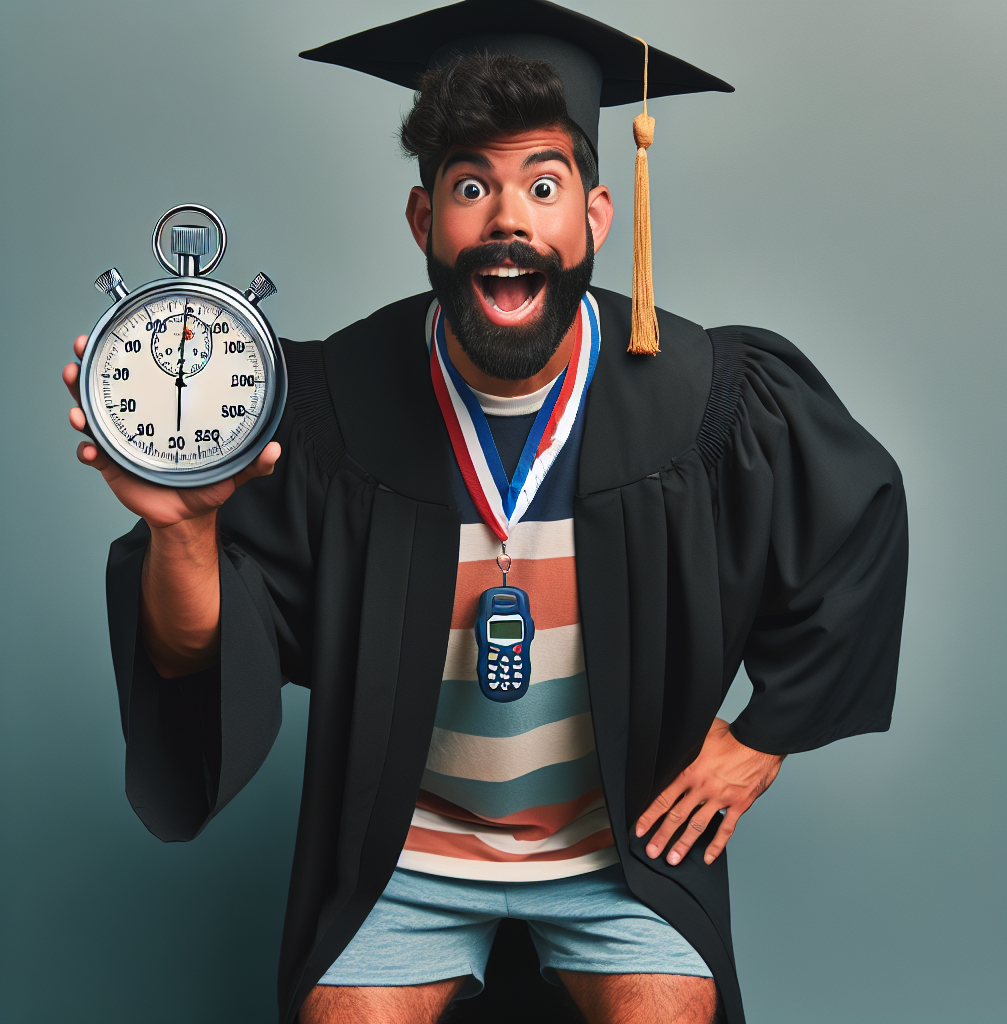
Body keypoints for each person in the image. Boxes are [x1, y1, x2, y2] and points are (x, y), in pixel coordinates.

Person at [62, 3, 908, 1022]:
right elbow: (204, 643)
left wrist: (764, 735)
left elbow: (857, 527)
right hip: (403, 858)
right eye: (471, 185)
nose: (508, 218)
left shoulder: (706, 399)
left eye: (542, 185)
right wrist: (181, 526)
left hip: (615, 855)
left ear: (595, 216)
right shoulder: (331, 409)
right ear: (425, 222)